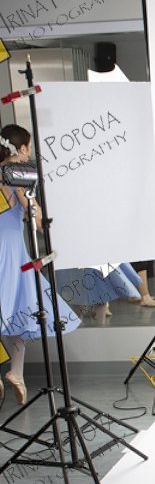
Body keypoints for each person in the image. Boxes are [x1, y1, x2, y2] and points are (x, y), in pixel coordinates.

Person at [0, 124, 80, 407]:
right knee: (22, 306)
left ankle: (13, 374)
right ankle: (16, 372)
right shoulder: (17, 174)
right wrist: (42, 221)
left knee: (7, 308)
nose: (29, 153)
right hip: (11, 251)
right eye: (29, 148)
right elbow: (33, 215)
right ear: (21, 148)